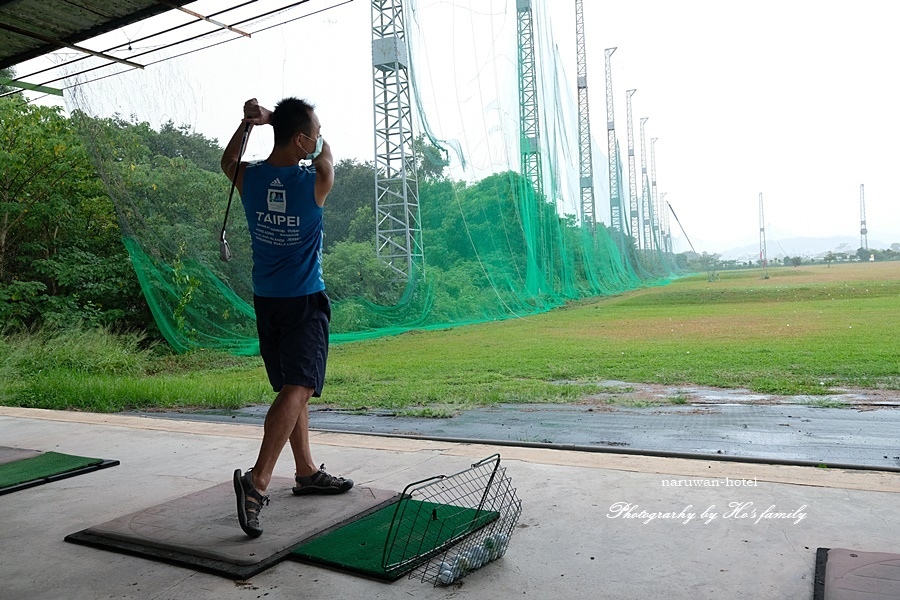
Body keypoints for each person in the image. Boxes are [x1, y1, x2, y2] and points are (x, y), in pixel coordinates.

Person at [221, 97, 353, 539]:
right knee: (300, 386)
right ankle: (257, 483)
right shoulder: (316, 180)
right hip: (303, 303)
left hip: (267, 301)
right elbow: (327, 155)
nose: (318, 137)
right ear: (301, 139)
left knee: (293, 389)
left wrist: (254, 124)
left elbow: (228, 160)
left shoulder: (250, 178)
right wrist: (284, 124)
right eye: (313, 130)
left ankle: (305, 471)